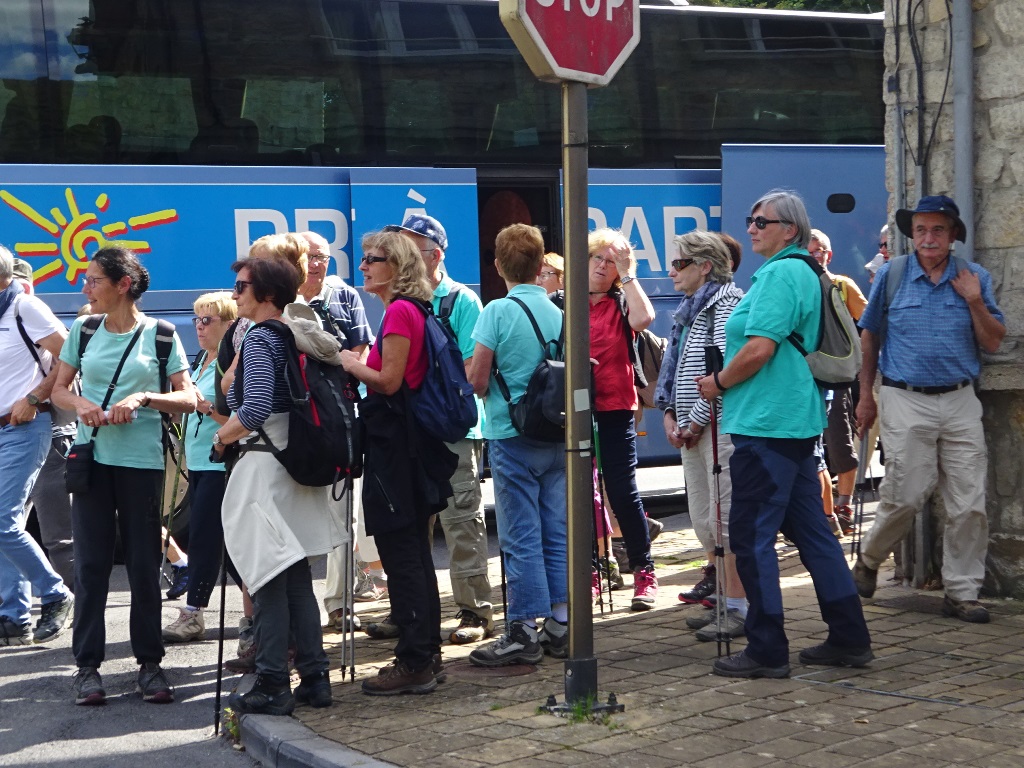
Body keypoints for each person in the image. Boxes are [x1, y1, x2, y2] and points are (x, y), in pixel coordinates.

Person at [696, 189, 872, 678]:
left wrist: (716, 383)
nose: (751, 227)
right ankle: (849, 638)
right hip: (793, 421)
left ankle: (767, 649)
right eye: (751, 220)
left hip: (766, 423)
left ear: (789, 230)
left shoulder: (778, 274)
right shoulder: (803, 271)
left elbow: (759, 350)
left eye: (761, 221)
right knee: (815, 536)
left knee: (752, 540)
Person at [52, 246, 196, 704]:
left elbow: (190, 398)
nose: (85, 287)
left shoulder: (163, 334)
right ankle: (87, 668)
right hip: (91, 458)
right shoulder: (84, 328)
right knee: (91, 565)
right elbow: (58, 390)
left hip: (142, 462)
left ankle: (150, 666)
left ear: (122, 285)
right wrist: (83, 407)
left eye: (94, 280)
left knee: (142, 565)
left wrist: (143, 400)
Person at [852, 195, 1005, 624]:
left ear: (954, 235)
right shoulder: (893, 275)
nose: (928, 237)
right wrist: (866, 395)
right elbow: (870, 336)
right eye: (920, 229)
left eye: (938, 229)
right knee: (905, 493)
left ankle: (961, 592)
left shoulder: (974, 277)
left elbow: (993, 341)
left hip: (959, 398)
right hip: (904, 395)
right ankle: (869, 559)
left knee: (969, 502)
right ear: (911, 234)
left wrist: (975, 300)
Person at [219, 257, 340, 715]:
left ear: (267, 294)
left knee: (267, 579)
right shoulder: (297, 333)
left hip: (263, 468)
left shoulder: (260, 339)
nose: (235, 294)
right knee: (294, 582)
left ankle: (272, 683)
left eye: (241, 286)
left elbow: (254, 409)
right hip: (296, 464)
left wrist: (219, 435)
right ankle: (315, 678)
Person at [340, 230, 457, 695]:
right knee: (415, 556)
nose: (364, 265)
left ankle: (414, 663)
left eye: (375, 259)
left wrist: (349, 363)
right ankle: (426, 654)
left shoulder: (399, 312)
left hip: (398, 449)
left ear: (400, 266)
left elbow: (388, 382)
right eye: (365, 258)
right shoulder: (415, 308)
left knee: (402, 556)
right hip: (414, 446)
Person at [385, 214, 494, 645]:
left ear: (435, 255)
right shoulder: (399, 301)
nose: (402, 257)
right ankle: (409, 610)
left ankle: (475, 612)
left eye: (410, 248)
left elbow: (472, 369)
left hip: (450, 433)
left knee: (460, 520)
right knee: (410, 525)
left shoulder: (462, 301)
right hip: (410, 432)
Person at [467, 223, 568, 665]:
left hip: (511, 433)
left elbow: (478, 379)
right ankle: (561, 623)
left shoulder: (496, 311)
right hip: (556, 431)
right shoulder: (560, 312)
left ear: (497, 265)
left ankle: (524, 629)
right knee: (555, 528)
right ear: (541, 263)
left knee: (520, 534)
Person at [654, 231, 747, 640]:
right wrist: (670, 412)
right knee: (704, 519)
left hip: (718, 429)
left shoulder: (726, 306)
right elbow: (678, 369)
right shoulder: (692, 308)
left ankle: (739, 608)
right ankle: (726, 602)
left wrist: (691, 420)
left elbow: (720, 372)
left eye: (679, 263)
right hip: (697, 429)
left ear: (705, 266)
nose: (671, 272)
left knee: (724, 520)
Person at [297, 231, 375, 633]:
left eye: (323, 257)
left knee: (345, 513)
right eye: (309, 256)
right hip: (297, 422)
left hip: (340, 419)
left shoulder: (345, 297)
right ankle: (295, 609)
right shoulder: (282, 301)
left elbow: (362, 348)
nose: (317, 264)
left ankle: (341, 602)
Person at [0, 246, 74, 647]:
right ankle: (13, 616)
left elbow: (72, 354)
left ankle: (56, 593)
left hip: (23, 427)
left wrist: (34, 398)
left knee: (3, 521)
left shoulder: (25, 308)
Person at [587, 228, 659, 611]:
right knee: (582, 493)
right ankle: (593, 572)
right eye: (597, 257)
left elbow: (644, 318)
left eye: (610, 261)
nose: (602, 265)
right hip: (576, 407)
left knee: (622, 491)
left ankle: (644, 572)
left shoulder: (620, 301)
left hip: (616, 405)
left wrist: (628, 273)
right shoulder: (562, 302)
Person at [162, 292, 236, 643]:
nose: (199, 326)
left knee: (208, 540)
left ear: (229, 324)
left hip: (220, 463)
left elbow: (237, 416)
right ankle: (264, 613)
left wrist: (202, 406)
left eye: (208, 320)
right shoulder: (204, 359)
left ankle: (193, 613)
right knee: (223, 545)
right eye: (196, 319)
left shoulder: (229, 362)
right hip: (201, 463)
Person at [808, 228, 868, 536]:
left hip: (836, 376)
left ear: (829, 255)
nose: (814, 256)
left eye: (819, 251)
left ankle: (843, 506)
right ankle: (820, 512)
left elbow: (870, 322)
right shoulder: (799, 287)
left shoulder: (843, 286)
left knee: (839, 443)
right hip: (805, 378)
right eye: (809, 252)